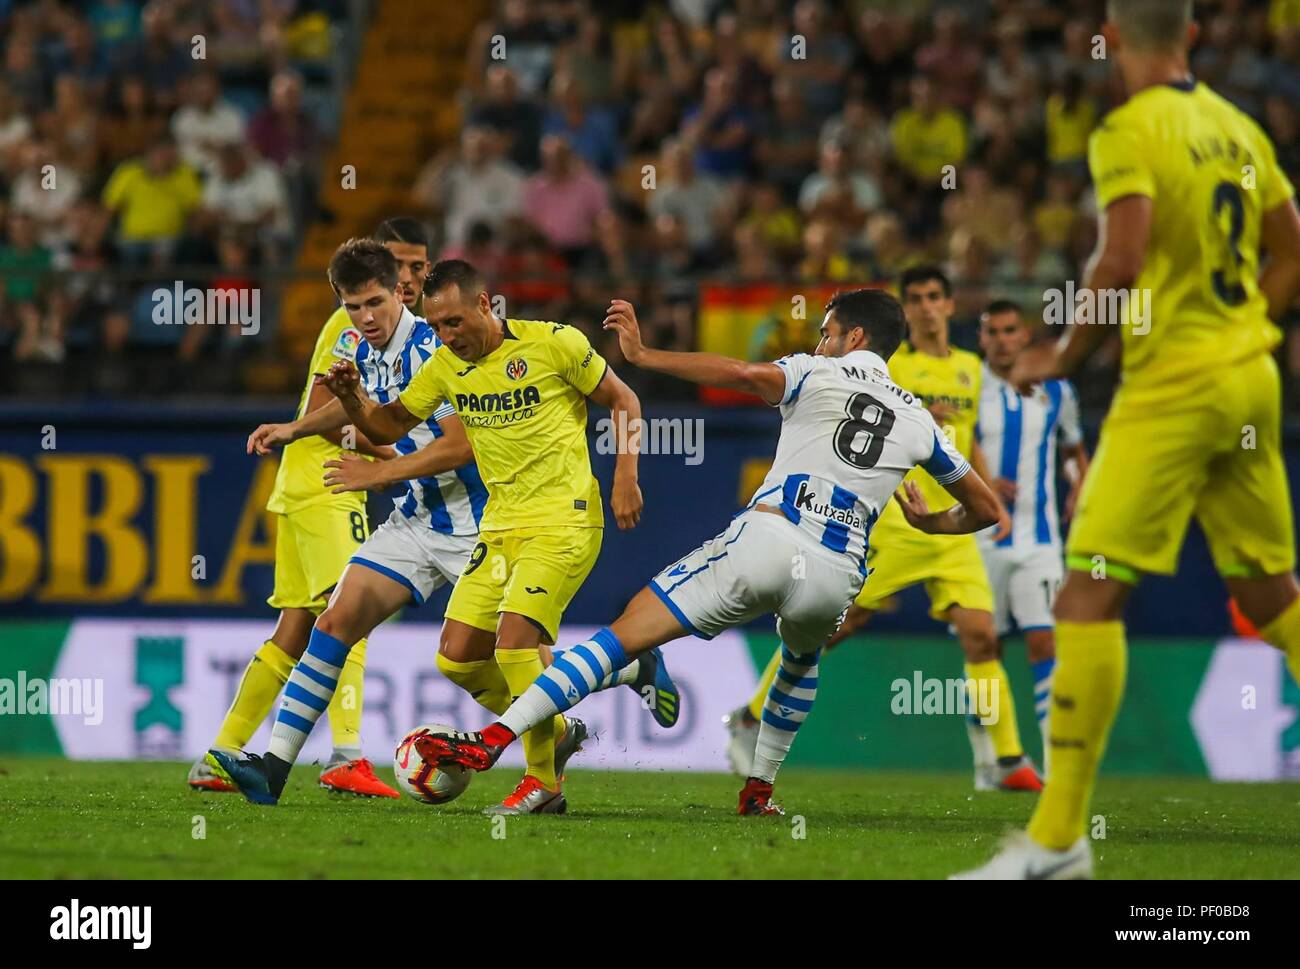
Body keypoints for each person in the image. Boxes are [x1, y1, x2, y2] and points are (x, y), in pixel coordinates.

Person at [413, 290, 1001, 815]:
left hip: (771, 538)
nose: (818, 343)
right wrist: (931, 524)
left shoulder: (813, 373)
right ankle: (758, 791)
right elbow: (985, 510)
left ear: (854, 338)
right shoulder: (922, 420)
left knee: (623, 633)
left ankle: (493, 742)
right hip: (840, 570)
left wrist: (645, 356)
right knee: (800, 660)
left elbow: (742, 373)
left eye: (826, 332)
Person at [958, 0, 1300, 879]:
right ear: (1189, 36)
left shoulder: (1125, 129)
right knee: (1270, 598)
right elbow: (1292, 244)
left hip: (1175, 389)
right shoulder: (1240, 128)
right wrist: (1246, 323)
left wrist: (1058, 353)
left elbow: (1122, 255)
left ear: (1110, 45)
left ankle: (1058, 841)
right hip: (1251, 379)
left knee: (1087, 595)